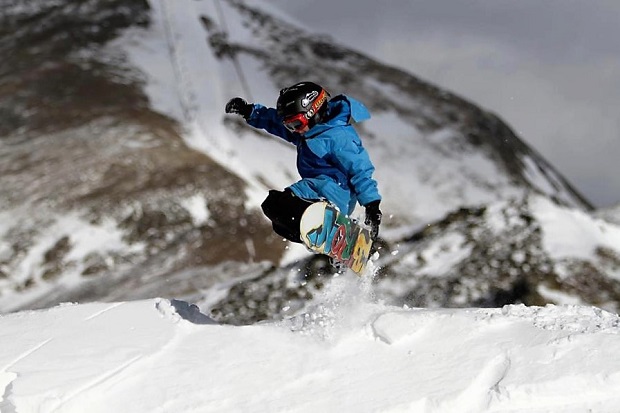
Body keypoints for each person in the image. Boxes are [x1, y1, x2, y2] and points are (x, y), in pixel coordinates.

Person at [225, 81, 382, 249]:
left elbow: (360, 169)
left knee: (283, 205)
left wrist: (371, 205)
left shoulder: (338, 136)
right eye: (290, 125)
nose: (295, 130)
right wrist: (249, 111)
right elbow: (275, 123)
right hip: (316, 188)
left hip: (335, 192)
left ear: (313, 112)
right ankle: (330, 244)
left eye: (296, 124)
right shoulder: (308, 131)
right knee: (274, 209)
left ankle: (337, 232)